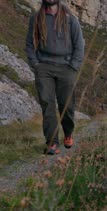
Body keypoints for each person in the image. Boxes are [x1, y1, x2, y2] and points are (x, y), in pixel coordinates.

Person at [25, 0, 84, 155]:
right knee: (47, 104)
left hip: (66, 67)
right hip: (44, 67)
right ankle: (52, 143)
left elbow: (79, 44)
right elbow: (29, 44)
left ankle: (68, 133)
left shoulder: (71, 19)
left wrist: (73, 67)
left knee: (67, 105)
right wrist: (35, 64)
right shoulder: (36, 18)